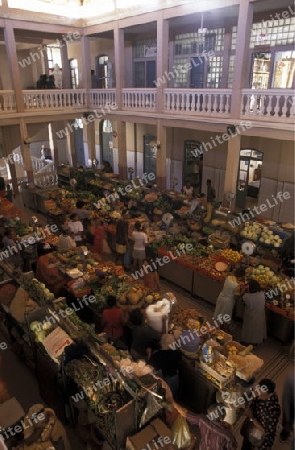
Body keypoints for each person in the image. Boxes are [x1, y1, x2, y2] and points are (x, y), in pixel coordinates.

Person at [241, 379, 281, 450]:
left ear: (270, 394)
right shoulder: (261, 397)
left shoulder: (272, 412)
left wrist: (251, 417)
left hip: (260, 441)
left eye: (261, 394)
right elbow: (252, 406)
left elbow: (265, 432)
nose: (258, 396)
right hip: (251, 430)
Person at [241, 280, 267, 346]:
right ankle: (256, 343)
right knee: (257, 329)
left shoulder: (246, 296)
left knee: (249, 331)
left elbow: (242, 302)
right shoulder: (262, 294)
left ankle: (247, 342)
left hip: (250, 316)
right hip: (260, 315)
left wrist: (243, 290)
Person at [280, 366, 294, 443]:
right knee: (287, 422)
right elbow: (286, 398)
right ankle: (285, 431)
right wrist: (288, 421)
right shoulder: (292, 378)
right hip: (291, 404)